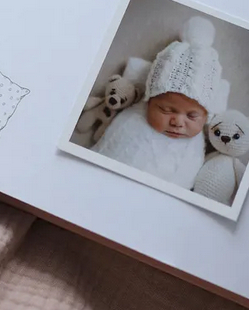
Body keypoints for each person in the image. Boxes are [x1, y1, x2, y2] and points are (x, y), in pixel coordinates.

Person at [93, 16, 228, 190]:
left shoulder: (195, 147)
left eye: (192, 116)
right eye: (166, 110)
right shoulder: (134, 120)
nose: (178, 122)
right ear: (149, 100)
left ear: (206, 116)